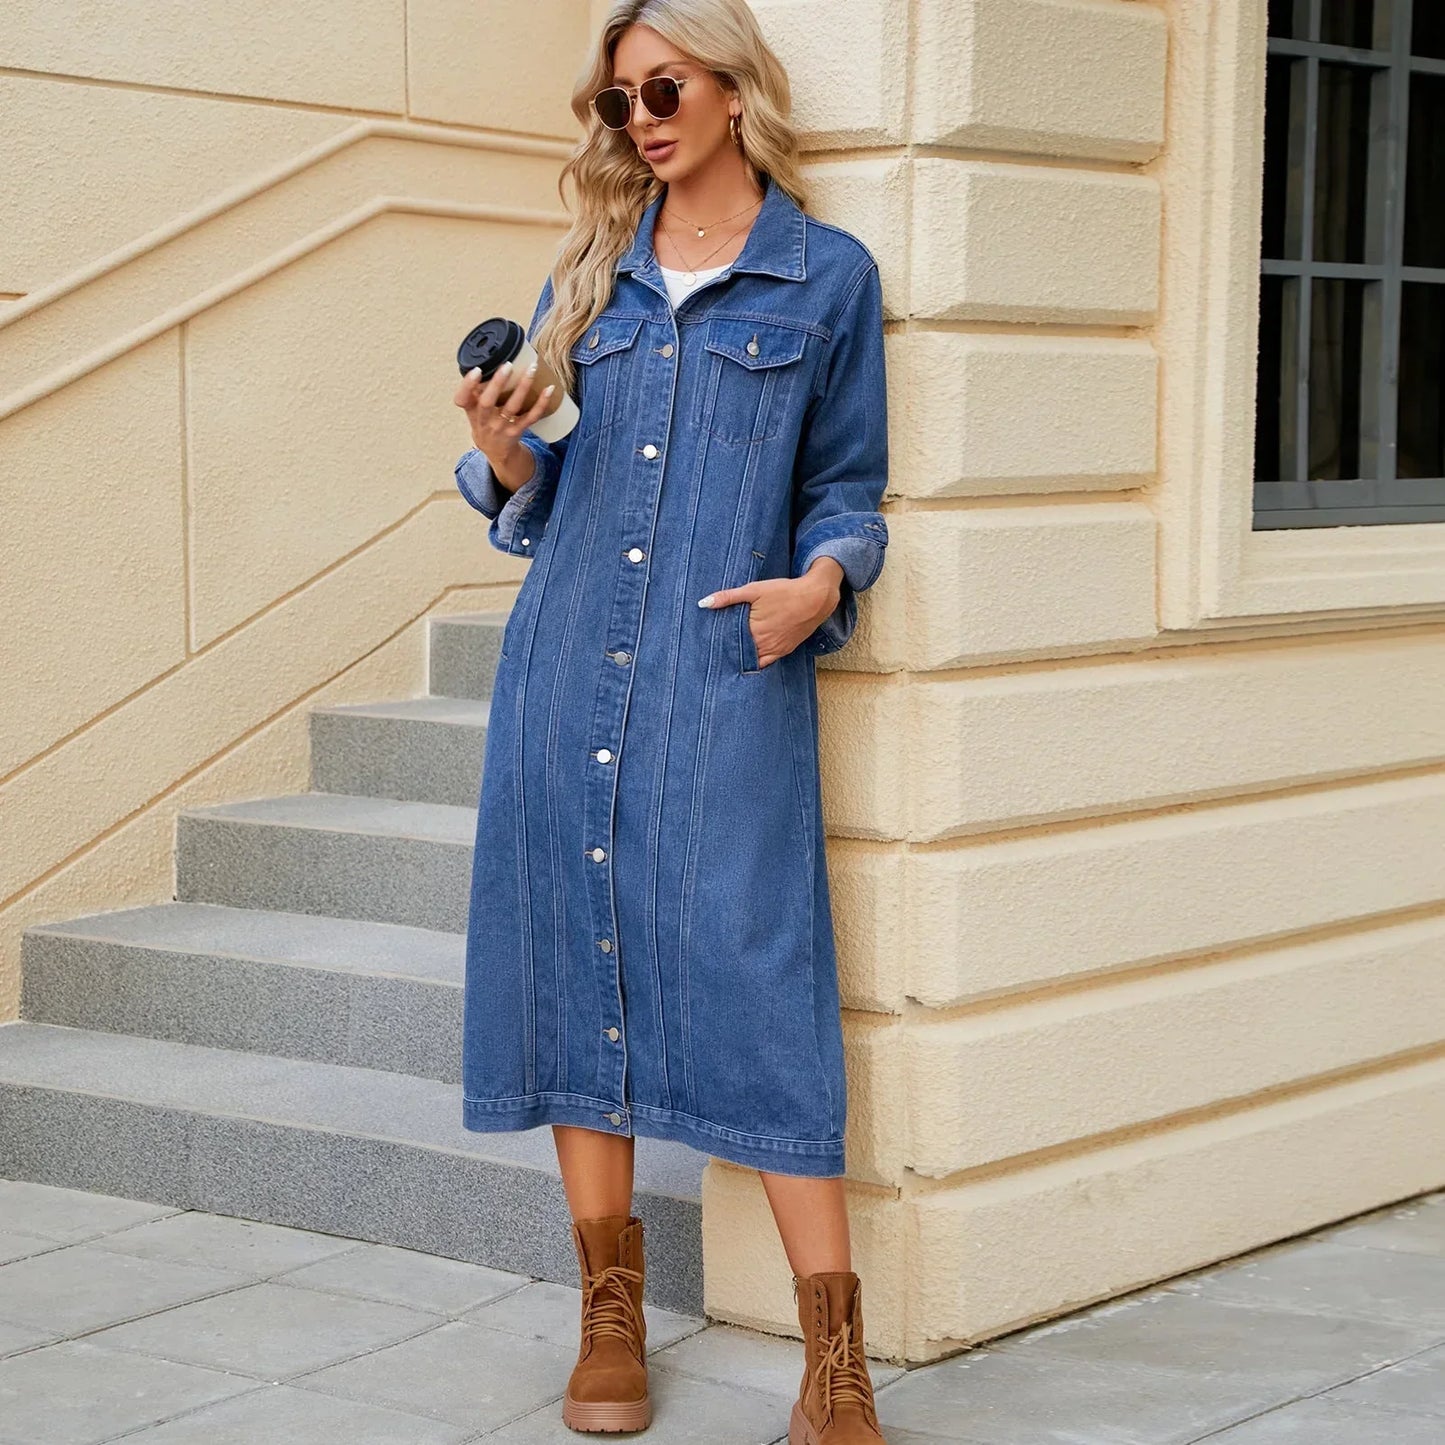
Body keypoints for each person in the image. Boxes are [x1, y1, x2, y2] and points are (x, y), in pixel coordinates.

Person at [450, 3, 890, 1439]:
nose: (637, 119)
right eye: (615, 100)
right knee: (579, 956)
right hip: (565, 664)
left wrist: (820, 585)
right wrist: (501, 449)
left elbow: (847, 485)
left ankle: (835, 1361)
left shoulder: (825, 277)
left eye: (661, 88)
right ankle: (609, 1319)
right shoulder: (591, 274)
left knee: (761, 979)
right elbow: (543, 488)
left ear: (731, 90)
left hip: (722, 681)